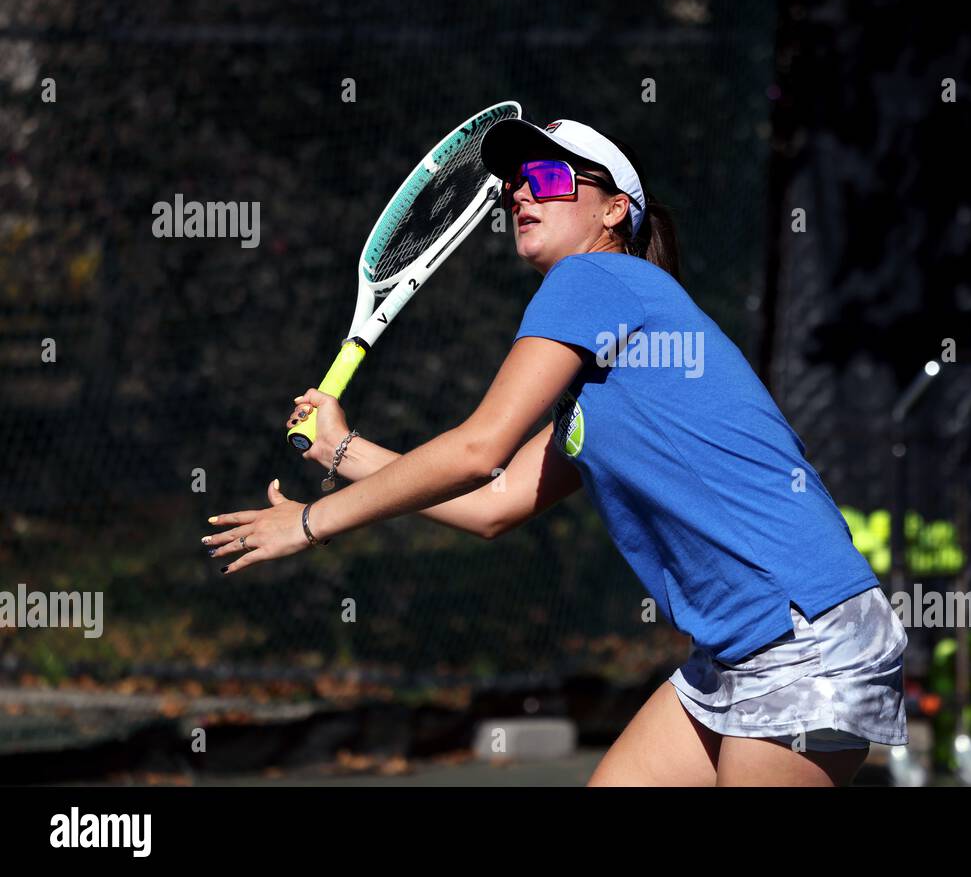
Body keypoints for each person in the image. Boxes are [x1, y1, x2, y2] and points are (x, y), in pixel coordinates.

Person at [201, 117, 908, 786]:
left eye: (547, 174)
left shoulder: (592, 279)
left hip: (799, 633)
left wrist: (308, 523)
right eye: (513, 182)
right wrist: (340, 450)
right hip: (736, 650)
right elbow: (493, 502)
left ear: (612, 211)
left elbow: (478, 448)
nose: (521, 190)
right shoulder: (604, 375)